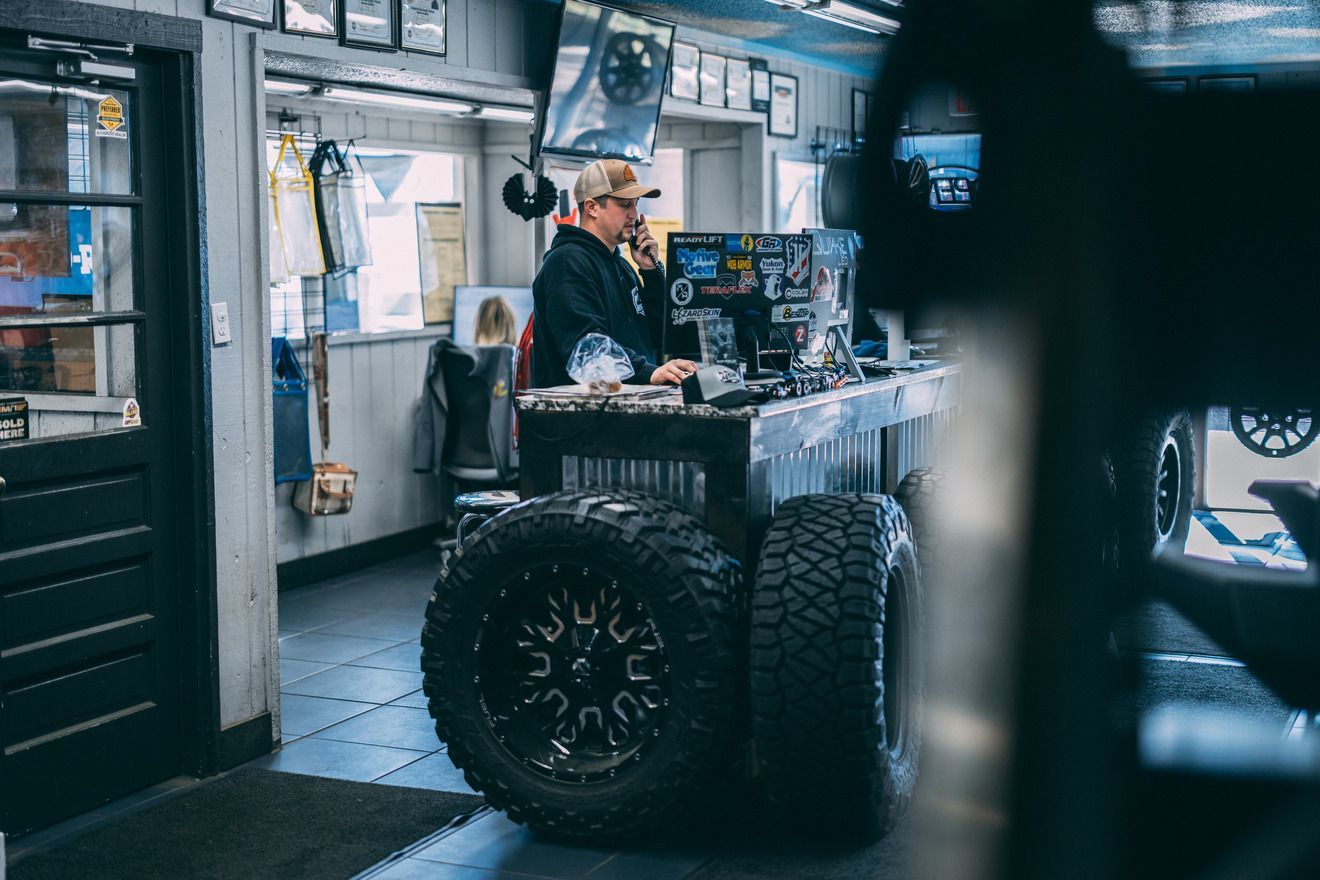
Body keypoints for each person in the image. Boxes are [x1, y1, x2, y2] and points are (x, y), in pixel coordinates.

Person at [531, 159, 697, 388]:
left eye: (635, 204)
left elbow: (657, 337)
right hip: (581, 418)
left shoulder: (622, 267)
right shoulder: (567, 263)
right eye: (624, 204)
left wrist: (651, 272)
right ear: (591, 207)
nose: (635, 214)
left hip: (626, 407)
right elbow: (588, 348)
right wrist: (647, 372)